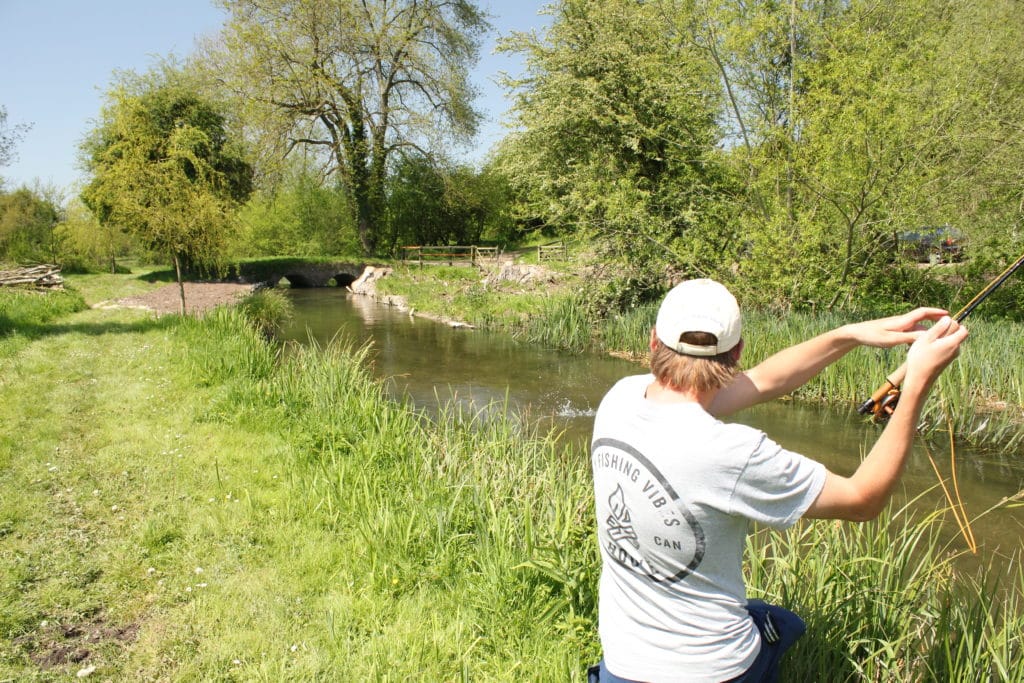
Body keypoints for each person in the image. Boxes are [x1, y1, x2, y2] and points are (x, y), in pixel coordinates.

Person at [588, 278, 968, 683]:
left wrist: (850, 335)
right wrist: (917, 385)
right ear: (736, 352)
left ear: (653, 342)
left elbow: (764, 381)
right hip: (712, 671)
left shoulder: (621, 399)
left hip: (622, 664)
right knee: (782, 624)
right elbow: (863, 500)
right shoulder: (732, 453)